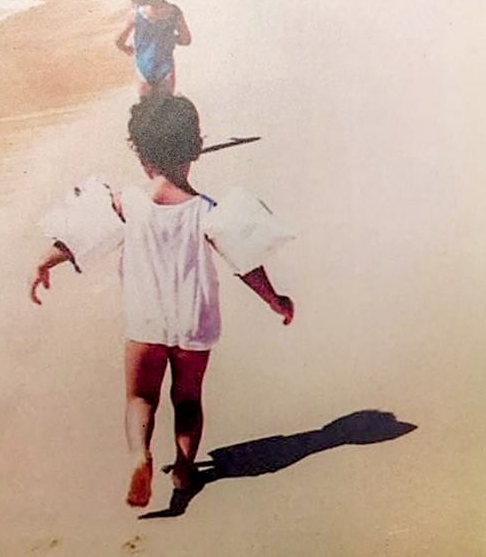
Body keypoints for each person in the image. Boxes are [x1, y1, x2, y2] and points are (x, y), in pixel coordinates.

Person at [29, 94, 295, 509]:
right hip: (194, 320)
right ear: (196, 149)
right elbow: (245, 262)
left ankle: (140, 456)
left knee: (140, 399)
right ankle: (185, 467)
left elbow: (82, 235)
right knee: (187, 400)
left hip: (145, 320)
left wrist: (45, 262)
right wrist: (275, 299)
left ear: (139, 153)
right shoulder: (208, 210)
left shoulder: (126, 202)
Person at [115, 0, 192, 97]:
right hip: (166, 69)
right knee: (167, 104)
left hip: (143, 69)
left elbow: (118, 41)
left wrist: (126, 48)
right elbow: (186, 40)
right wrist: (172, 39)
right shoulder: (174, 12)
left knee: (146, 107)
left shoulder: (136, 14)